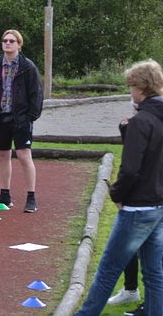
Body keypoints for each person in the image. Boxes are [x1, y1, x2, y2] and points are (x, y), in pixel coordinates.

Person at [76, 59, 163, 316]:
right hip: (158, 205)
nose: (130, 92)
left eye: (131, 87)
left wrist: (116, 194)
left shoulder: (141, 121)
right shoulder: (153, 119)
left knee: (107, 270)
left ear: (140, 87)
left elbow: (131, 168)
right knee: (154, 272)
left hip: (137, 208)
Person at [0, 29, 43, 212]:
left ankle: (31, 196)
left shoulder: (27, 67)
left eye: (11, 41)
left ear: (19, 44)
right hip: (0, 117)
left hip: (21, 118)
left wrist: (30, 117)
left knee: (24, 155)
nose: (7, 43)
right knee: (2, 155)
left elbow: (36, 94)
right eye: (5, 40)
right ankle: (5, 194)